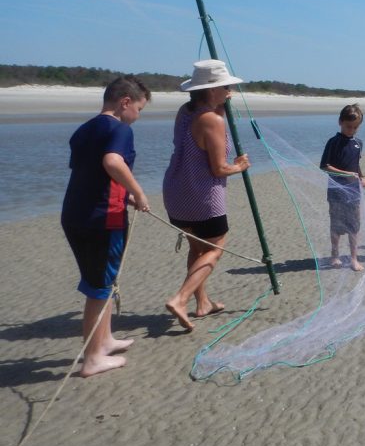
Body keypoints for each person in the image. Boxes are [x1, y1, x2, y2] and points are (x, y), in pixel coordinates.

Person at [61, 75, 151, 376]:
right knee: (99, 286)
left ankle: (106, 339)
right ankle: (93, 358)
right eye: (138, 109)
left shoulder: (84, 130)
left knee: (105, 279)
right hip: (101, 220)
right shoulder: (119, 129)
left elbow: (90, 174)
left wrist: (122, 194)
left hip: (75, 214)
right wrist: (137, 192)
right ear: (124, 102)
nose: (137, 116)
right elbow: (112, 162)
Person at [163, 60, 251, 331]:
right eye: (225, 87)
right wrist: (240, 166)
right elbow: (219, 168)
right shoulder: (212, 120)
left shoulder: (185, 111)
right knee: (215, 248)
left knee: (197, 248)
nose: (229, 91)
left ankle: (203, 303)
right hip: (202, 196)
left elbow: (206, 126)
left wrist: (222, 103)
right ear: (211, 90)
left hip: (176, 190)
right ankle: (181, 298)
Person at [320, 104, 365, 271]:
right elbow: (325, 166)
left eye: (355, 127)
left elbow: (355, 165)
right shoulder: (333, 142)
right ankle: (335, 255)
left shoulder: (358, 143)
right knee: (337, 225)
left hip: (354, 191)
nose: (351, 130)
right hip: (336, 192)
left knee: (354, 225)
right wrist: (347, 174)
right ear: (340, 122)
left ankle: (354, 258)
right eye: (348, 126)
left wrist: (361, 177)